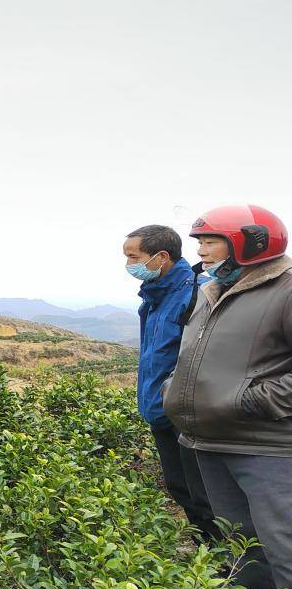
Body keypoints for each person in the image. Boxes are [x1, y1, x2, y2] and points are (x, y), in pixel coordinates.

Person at [164, 205, 292, 589]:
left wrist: (252, 400)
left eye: (211, 240)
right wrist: (176, 388)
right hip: (210, 441)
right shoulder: (210, 290)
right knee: (240, 542)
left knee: (283, 543)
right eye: (200, 241)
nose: (201, 250)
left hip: (265, 444)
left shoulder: (286, 290)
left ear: (252, 242)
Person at [123, 224, 217, 541]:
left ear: (161, 257)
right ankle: (207, 554)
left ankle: (228, 565)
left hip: (186, 412)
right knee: (180, 487)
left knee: (204, 493)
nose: (128, 265)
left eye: (133, 257)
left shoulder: (197, 293)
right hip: (160, 410)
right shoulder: (152, 298)